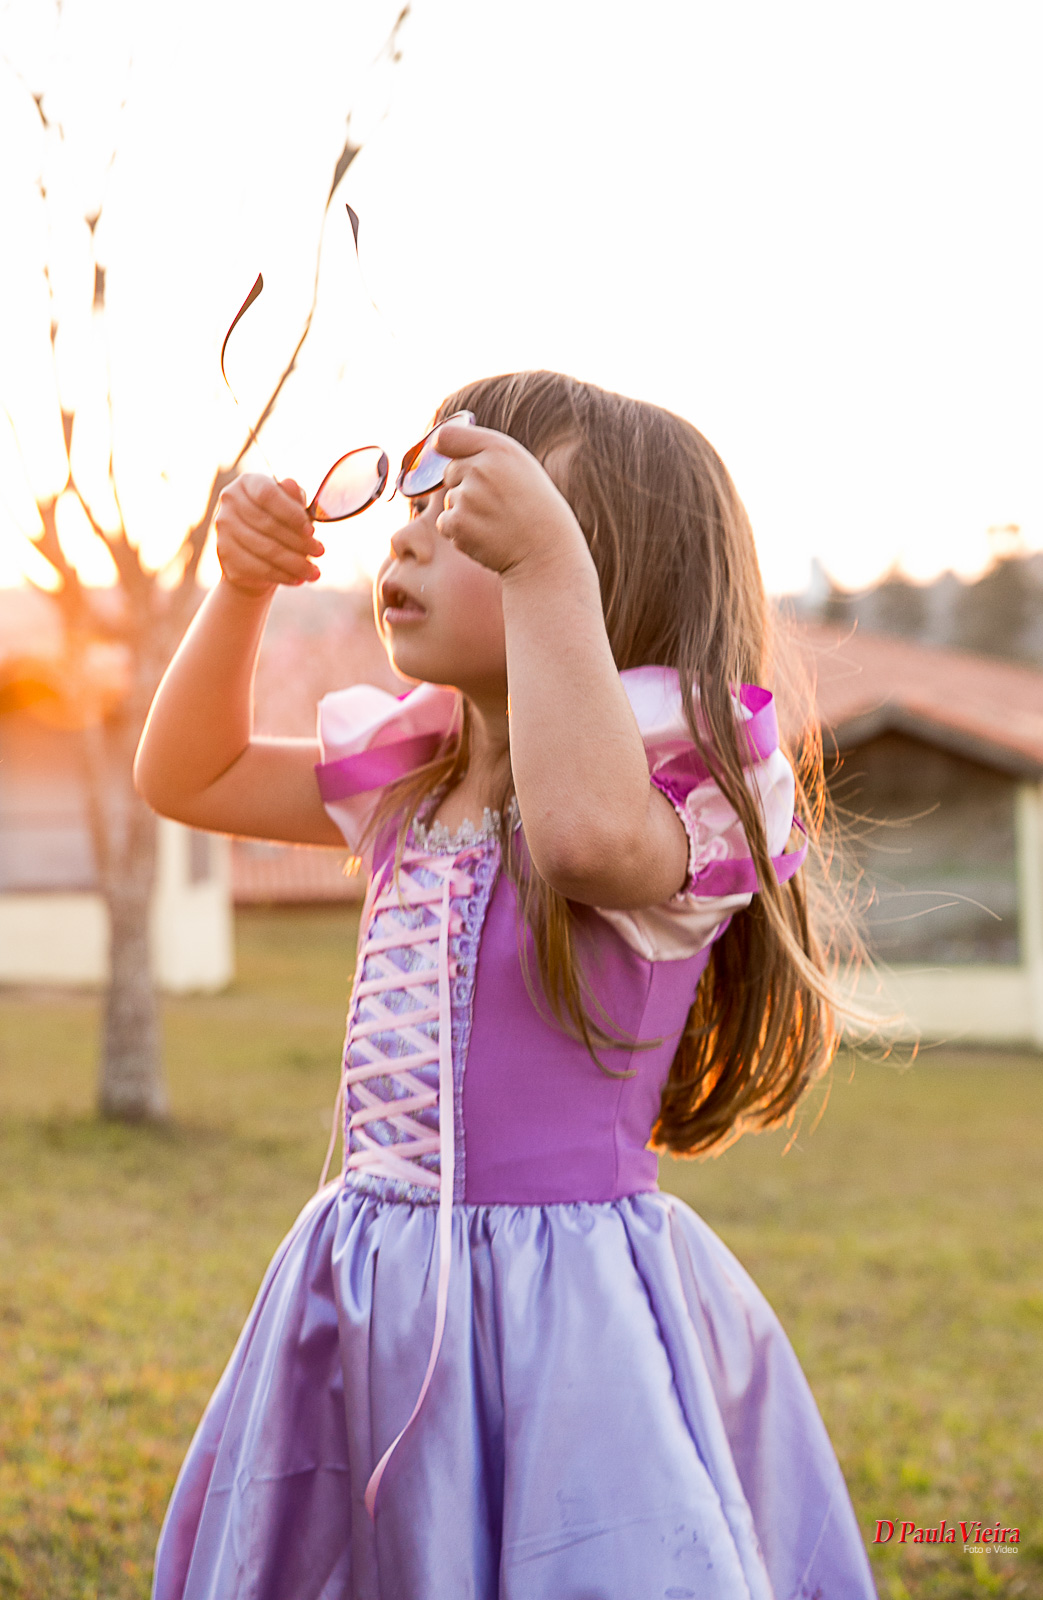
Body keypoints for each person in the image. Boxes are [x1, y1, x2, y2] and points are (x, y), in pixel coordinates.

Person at [136, 369, 877, 1600]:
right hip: (363, 1281)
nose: (413, 535)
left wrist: (544, 573)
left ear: (604, 581)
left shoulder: (679, 796)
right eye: (415, 501)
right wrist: (242, 588)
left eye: (474, 513)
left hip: (561, 1316)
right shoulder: (408, 778)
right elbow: (188, 773)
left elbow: (579, 842)